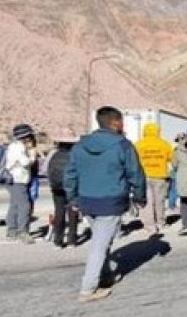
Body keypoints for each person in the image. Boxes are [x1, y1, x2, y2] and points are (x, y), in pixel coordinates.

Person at [64, 107, 146, 302]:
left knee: (103, 240)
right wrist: (140, 197)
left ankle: (106, 275)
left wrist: (73, 198)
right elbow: (135, 173)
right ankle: (88, 288)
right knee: (99, 245)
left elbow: (70, 174)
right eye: (122, 121)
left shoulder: (80, 146)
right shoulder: (123, 145)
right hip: (111, 201)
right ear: (115, 123)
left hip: (86, 201)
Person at [134, 122, 174, 234]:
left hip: (143, 176)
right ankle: (160, 223)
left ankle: (149, 225)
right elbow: (171, 158)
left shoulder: (138, 144)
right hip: (160, 176)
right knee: (159, 201)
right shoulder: (164, 144)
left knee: (146, 201)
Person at [5, 123, 39, 244]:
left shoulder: (13, 146)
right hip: (18, 179)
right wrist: (32, 155)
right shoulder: (19, 147)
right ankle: (23, 232)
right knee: (25, 205)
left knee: (14, 205)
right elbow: (25, 162)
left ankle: (11, 230)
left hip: (13, 179)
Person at [46, 135, 80, 248]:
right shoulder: (75, 155)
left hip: (56, 187)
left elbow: (44, 169)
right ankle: (72, 240)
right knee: (73, 212)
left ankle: (58, 241)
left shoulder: (53, 154)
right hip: (72, 187)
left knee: (59, 212)